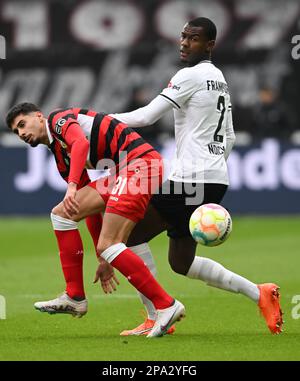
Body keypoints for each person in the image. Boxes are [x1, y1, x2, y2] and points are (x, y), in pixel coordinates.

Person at [94, 17, 283, 336]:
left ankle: (158, 313)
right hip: (214, 178)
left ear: (209, 45)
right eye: (183, 37)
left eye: (193, 39)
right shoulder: (219, 78)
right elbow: (232, 136)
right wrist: (212, 165)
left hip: (190, 178)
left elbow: (145, 116)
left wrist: (95, 120)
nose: (184, 43)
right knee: (181, 262)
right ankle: (260, 292)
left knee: (128, 237)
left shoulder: (190, 75)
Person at [6, 102, 185, 338]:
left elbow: (80, 143)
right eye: (16, 132)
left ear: (39, 117)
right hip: (124, 171)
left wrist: (71, 186)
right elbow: (88, 209)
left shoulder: (58, 119)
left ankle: (166, 305)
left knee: (109, 243)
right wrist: (102, 260)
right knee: (62, 215)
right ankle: (75, 296)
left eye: (22, 124)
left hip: (141, 164)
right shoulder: (61, 156)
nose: (21, 133)